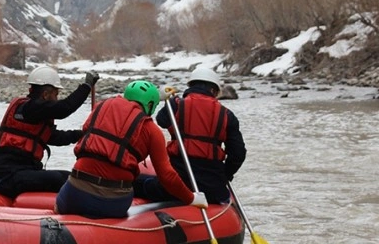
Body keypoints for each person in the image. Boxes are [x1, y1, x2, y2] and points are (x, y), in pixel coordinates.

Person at [54, 80, 208, 219]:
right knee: (144, 182)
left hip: (76, 192)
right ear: (150, 106)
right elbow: (167, 176)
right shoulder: (152, 130)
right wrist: (191, 198)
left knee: (58, 206)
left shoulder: (100, 107)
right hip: (112, 202)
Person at [133, 68, 246, 204]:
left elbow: (162, 121)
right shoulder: (228, 115)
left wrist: (169, 101)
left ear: (191, 86)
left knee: (136, 181)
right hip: (213, 189)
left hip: (177, 187)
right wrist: (225, 175)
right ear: (214, 91)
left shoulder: (176, 104)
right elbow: (238, 154)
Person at [0, 66, 99, 198]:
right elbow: (64, 108)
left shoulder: (34, 115)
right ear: (45, 94)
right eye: (55, 94)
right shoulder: (31, 108)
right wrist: (86, 86)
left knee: (71, 176)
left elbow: (55, 137)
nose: (56, 99)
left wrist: (81, 134)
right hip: (9, 177)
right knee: (62, 179)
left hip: (23, 173)